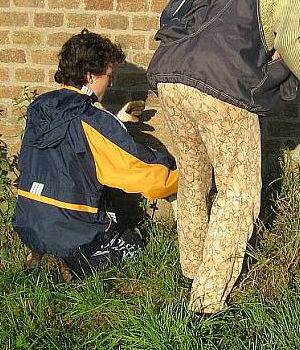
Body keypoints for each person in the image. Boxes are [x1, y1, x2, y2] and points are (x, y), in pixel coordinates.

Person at [146, 0, 300, 313]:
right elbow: (287, 38)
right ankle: (206, 306)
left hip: (169, 76)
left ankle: (192, 273)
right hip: (219, 86)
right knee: (238, 194)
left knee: (194, 179)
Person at [13, 30, 178, 279]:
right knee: (133, 246)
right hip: (71, 226)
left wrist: (114, 121)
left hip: (27, 218)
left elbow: (66, 144)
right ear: (90, 76)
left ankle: (42, 252)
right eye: (109, 76)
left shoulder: (40, 107)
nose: (110, 83)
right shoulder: (93, 120)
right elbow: (139, 172)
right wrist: (180, 172)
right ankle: (78, 264)